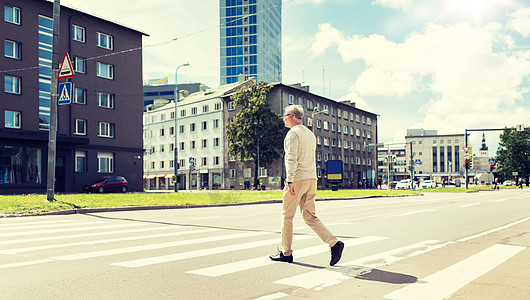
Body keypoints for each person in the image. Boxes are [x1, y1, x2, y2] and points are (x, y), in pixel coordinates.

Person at [270, 105, 344, 266]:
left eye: (284, 116)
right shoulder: (310, 134)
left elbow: (291, 158)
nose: (283, 119)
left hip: (297, 179)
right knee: (309, 216)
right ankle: (334, 243)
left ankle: (286, 253)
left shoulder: (292, 133)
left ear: (291, 116)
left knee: (287, 216)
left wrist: (290, 180)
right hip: (312, 179)